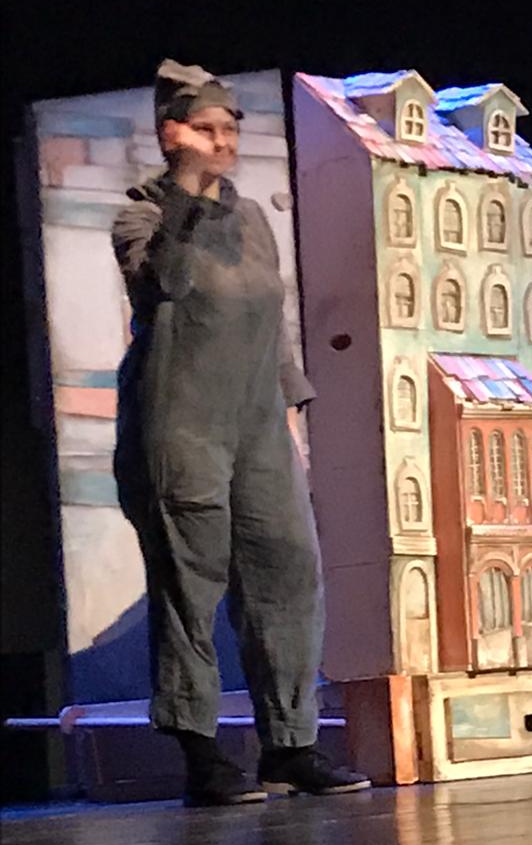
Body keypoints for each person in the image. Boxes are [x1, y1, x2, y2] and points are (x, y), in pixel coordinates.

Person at [112, 59, 370, 804]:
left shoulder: (252, 219)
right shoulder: (141, 217)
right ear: (172, 135)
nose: (222, 142)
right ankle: (201, 756)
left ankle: (290, 745)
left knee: (288, 572)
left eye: (229, 129)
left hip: (258, 425)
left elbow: (270, 322)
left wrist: (292, 414)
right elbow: (163, 284)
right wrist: (189, 196)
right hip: (179, 423)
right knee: (189, 588)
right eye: (206, 130)